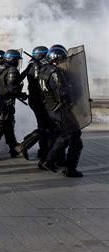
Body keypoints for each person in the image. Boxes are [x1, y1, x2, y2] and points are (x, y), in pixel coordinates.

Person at [39, 47, 84, 177]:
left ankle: (53, 162)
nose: (65, 62)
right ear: (57, 59)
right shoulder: (56, 73)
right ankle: (61, 165)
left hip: (51, 109)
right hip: (62, 109)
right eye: (63, 60)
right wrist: (75, 97)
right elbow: (63, 94)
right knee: (73, 137)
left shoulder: (44, 70)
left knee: (66, 136)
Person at [0, 49, 29, 160]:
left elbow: (11, 82)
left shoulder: (3, 68)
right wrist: (21, 94)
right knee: (0, 127)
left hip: (2, 101)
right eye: (17, 59)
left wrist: (26, 71)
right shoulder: (12, 70)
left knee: (8, 126)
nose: (18, 62)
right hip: (6, 102)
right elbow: (12, 88)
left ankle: (13, 149)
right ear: (13, 60)